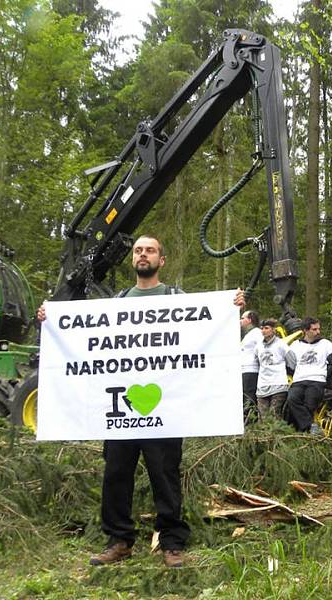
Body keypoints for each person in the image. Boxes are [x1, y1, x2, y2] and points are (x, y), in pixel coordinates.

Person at [38, 235, 203, 568]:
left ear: (162, 259)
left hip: (164, 407)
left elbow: (204, 330)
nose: (143, 255)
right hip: (120, 407)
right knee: (116, 473)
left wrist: (231, 310)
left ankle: (172, 542)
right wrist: (51, 318)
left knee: (165, 474)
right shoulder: (117, 301)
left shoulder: (176, 298)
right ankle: (119, 540)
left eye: (151, 250)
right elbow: (86, 338)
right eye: (139, 250)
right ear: (132, 259)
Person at [285, 317, 332, 432]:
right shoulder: (295, 345)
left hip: (317, 380)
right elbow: (290, 364)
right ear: (305, 330)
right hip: (299, 380)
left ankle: (303, 431)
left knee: (309, 404)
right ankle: (311, 427)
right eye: (314, 329)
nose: (318, 332)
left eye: (318, 329)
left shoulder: (325, 344)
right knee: (292, 399)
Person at [254, 318, 295, 420]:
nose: (264, 330)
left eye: (266, 328)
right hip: (263, 385)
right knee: (262, 416)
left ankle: (276, 434)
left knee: (274, 414)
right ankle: (263, 435)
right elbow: (256, 362)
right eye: (262, 328)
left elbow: (292, 362)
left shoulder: (281, 345)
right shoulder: (258, 346)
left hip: (278, 384)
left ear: (273, 330)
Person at [240, 309, 263, 421]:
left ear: (249, 320)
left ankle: (250, 420)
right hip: (244, 370)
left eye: (242, 318)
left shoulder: (257, 333)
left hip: (251, 370)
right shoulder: (248, 335)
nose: (240, 320)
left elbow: (261, 349)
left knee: (249, 397)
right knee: (244, 397)